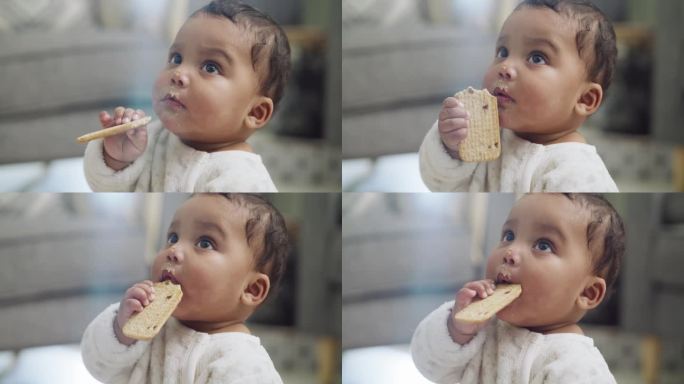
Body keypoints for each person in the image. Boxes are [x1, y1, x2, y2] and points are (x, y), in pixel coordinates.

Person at [411, 193, 624, 383]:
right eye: (509, 236)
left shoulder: (577, 365)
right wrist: (456, 329)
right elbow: (427, 364)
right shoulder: (481, 331)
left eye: (543, 245)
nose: (510, 252)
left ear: (587, 293)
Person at [84, 1, 290, 192]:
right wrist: (117, 158)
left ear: (255, 112)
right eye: (176, 58)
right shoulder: (152, 137)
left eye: (211, 67)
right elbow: (105, 187)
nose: (178, 74)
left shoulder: (243, 180)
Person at [82, 193, 289, 383]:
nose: (174, 250)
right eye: (173, 237)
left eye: (205, 243)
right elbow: (98, 366)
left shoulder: (244, 365)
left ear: (251, 289)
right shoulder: (149, 332)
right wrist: (120, 331)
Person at [420, 0, 618, 192]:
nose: (505, 67)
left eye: (537, 57)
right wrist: (451, 149)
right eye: (503, 52)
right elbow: (437, 184)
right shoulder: (482, 136)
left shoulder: (578, 174)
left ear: (585, 99)